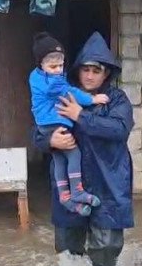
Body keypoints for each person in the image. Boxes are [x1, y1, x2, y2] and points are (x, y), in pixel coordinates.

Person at [33, 31, 135, 266]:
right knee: (68, 254)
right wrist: (50, 140)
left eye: (96, 71)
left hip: (107, 182)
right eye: (85, 70)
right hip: (71, 184)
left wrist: (80, 115)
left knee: (106, 252)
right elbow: (38, 130)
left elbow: (119, 129)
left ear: (106, 73)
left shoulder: (116, 100)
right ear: (77, 70)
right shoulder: (62, 93)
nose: (89, 76)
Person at [28, 32, 108, 217]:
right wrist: (92, 99)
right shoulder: (54, 83)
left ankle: (65, 196)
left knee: (59, 160)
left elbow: (116, 130)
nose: (57, 70)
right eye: (53, 66)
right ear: (41, 64)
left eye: (61, 65)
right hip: (54, 125)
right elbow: (70, 92)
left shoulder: (37, 77)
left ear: (106, 74)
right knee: (73, 153)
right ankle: (77, 191)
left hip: (47, 125)